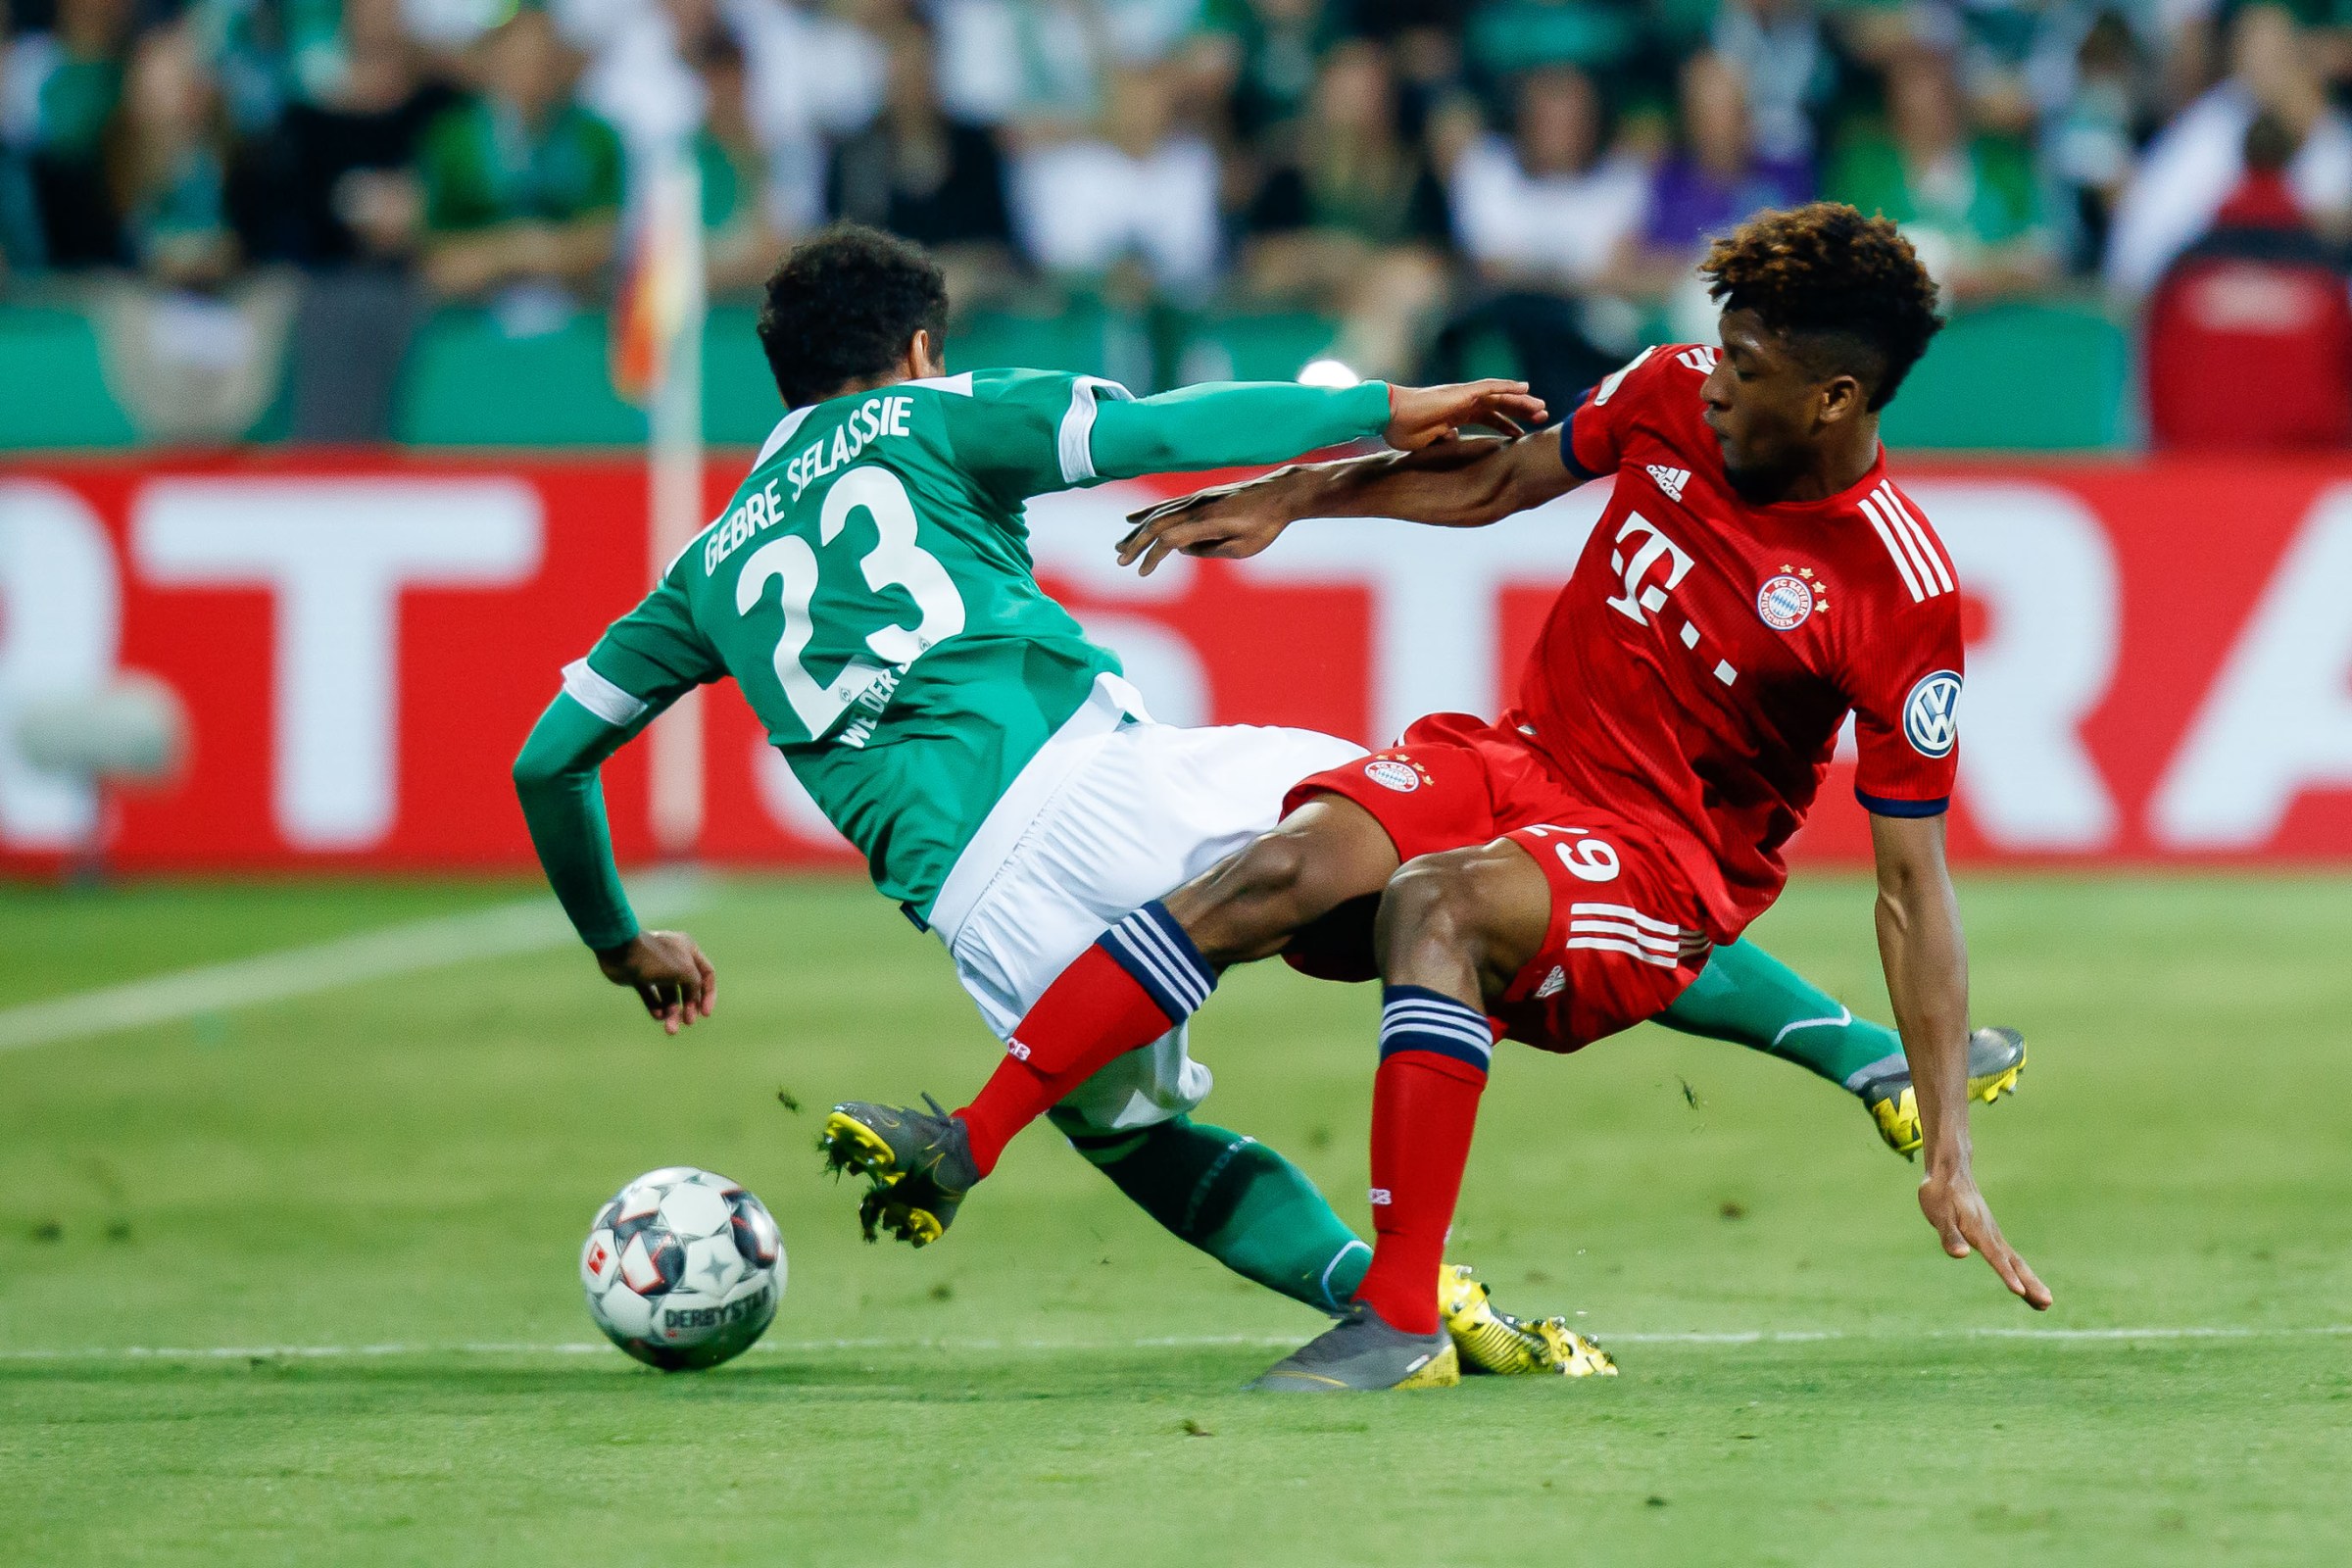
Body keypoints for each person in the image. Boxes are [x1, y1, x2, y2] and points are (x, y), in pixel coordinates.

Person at [830, 204, 2047, 1392]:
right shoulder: (1672, 392)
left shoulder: (1898, 589)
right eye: (1721, 348)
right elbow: (1498, 480)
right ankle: (967, 1140)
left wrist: (1950, 1148)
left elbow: (1911, 887)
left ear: (1833, 399)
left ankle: (1401, 1319)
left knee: (1438, 904)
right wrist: (1296, 492)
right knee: (1277, 863)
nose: (1715, 379)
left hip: (1659, 867)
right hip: (1521, 762)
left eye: (1746, 364)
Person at [514, 220, 1605, 1375]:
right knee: (1477, 824)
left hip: (987, 911)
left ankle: (1388, 1301)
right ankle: (1719, 969)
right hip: (1103, 787)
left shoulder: (705, 568)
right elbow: (1158, 431)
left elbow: (549, 761)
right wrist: (1379, 408)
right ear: (920, 348)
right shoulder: (928, 414)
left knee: (1141, 1140)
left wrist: (620, 943)